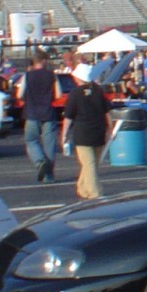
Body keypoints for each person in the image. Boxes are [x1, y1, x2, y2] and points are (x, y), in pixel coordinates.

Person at [61, 62, 109, 200]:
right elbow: (107, 112)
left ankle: (95, 194)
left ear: (78, 78)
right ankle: (82, 189)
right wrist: (110, 129)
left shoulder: (75, 94)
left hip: (82, 134)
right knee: (91, 165)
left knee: (89, 164)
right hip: (99, 132)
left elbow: (68, 116)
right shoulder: (99, 91)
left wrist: (64, 135)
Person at [17, 49, 59, 183]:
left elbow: (19, 95)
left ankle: (39, 161)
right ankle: (49, 176)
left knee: (31, 140)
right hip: (48, 113)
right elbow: (58, 94)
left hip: (31, 113)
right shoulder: (52, 75)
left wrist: (29, 99)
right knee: (49, 146)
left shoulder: (27, 76)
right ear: (44, 61)